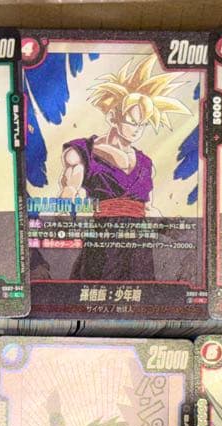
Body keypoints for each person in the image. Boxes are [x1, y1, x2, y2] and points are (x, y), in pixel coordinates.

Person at [59, 55, 190, 280]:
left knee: (140, 292)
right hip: (104, 243)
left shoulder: (145, 164)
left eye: (143, 124)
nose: (137, 129)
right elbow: (66, 198)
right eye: (131, 121)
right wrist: (68, 221)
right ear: (113, 117)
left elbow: (147, 209)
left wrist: (166, 226)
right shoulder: (83, 152)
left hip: (138, 249)